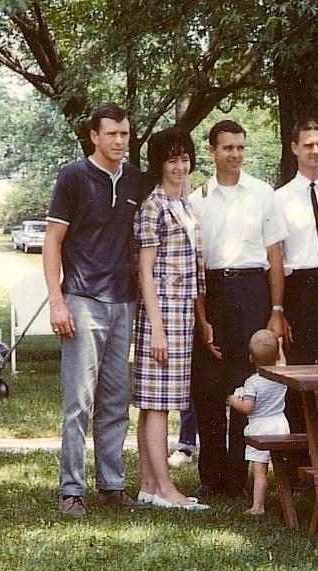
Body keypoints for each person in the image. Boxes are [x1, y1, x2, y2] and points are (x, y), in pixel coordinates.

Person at [43, 103, 146, 517]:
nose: (120, 141)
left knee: (117, 399)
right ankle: (72, 490)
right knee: (79, 402)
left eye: (125, 134)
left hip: (124, 300)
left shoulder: (137, 179)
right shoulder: (73, 176)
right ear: (94, 136)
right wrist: (56, 300)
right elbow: (52, 242)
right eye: (112, 134)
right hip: (83, 300)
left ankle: (112, 484)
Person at [190, 119, 289, 499]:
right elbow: (196, 263)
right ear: (213, 150)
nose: (235, 154)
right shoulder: (197, 198)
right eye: (227, 147)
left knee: (246, 385)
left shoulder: (263, 193)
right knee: (210, 387)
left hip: (252, 290)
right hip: (212, 291)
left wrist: (276, 308)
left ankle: (237, 476)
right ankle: (211, 476)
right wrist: (202, 317)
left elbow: (274, 255)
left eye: (240, 147)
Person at [133, 126, 208, 510]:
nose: (179, 167)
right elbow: (144, 271)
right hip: (161, 314)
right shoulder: (154, 206)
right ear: (159, 164)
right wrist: (157, 328)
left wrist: (202, 318)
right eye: (172, 160)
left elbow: (195, 269)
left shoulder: (187, 205)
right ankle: (165, 489)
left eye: (184, 159)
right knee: (159, 402)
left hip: (184, 313)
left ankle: (149, 484)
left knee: (157, 401)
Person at [275, 118, 318, 442]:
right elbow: (274, 260)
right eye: (308, 145)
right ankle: (300, 455)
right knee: (299, 374)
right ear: (294, 148)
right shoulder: (280, 199)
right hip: (298, 290)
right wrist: (281, 309)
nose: (315, 150)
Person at [228, 330, 290, 515]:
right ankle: (285, 499)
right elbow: (282, 362)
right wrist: (279, 343)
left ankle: (258, 506)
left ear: (250, 358)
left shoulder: (252, 383)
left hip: (260, 427)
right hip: (280, 424)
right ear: (277, 354)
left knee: (260, 471)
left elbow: (248, 407)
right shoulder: (282, 374)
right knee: (279, 466)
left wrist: (233, 400)